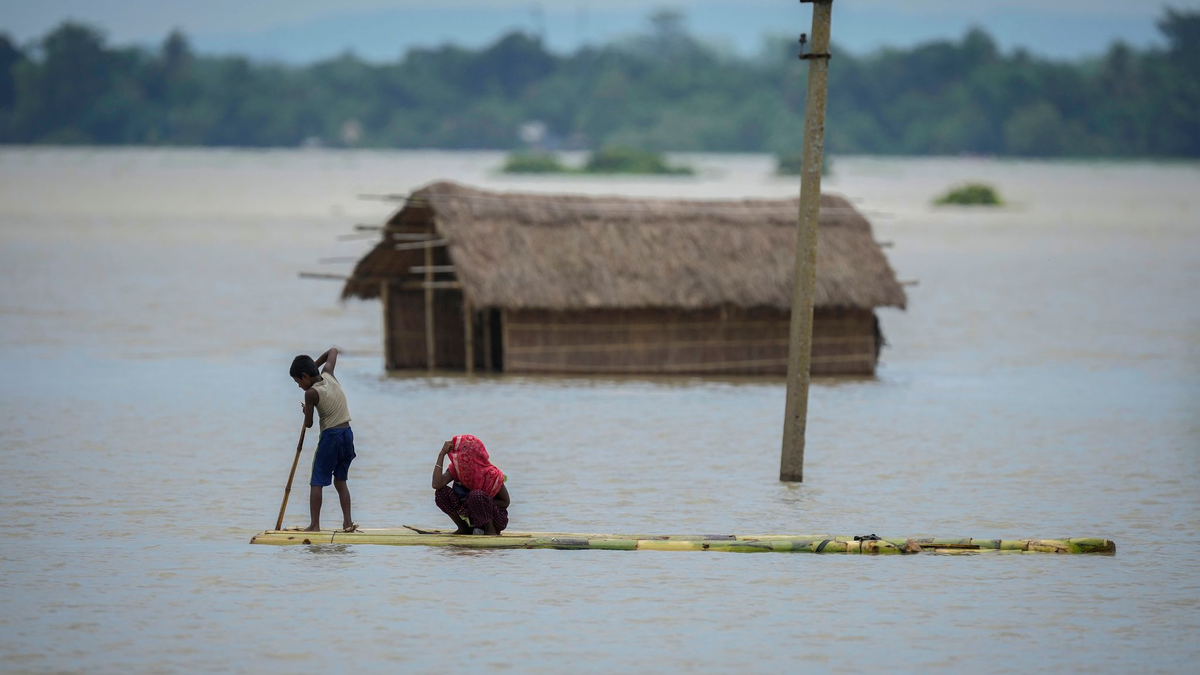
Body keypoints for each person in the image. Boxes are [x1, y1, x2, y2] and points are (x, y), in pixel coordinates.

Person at [290, 347, 357, 533]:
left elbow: (309, 423)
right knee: (340, 481)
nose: (299, 386)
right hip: (347, 433)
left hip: (331, 437)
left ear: (305, 376)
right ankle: (348, 523)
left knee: (317, 481)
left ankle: (314, 525)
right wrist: (315, 366)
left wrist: (306, 411)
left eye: (298, 381)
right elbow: (333, 351)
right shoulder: (329, 375)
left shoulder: (311, 393)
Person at [432, 434, 510, 535]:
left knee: (476, 496)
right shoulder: (457, 469)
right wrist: (441, 454)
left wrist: (476, 504)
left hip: (495, 520)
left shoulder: (491, 474)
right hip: (469, 516)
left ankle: (489, 530)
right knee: (441, 493)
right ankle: (463, 528)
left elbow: (505, 502)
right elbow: (436, 484)